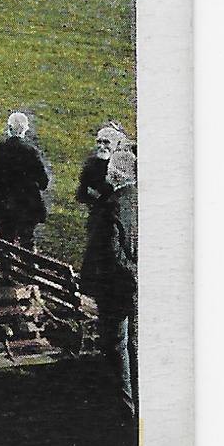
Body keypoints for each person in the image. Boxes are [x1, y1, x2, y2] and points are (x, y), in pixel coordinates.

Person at [80, 146, 138, 419]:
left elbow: (110, 254)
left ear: (115, 173)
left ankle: (124, 404)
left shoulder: (109, 207)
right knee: (131, 342)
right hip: (132, 284)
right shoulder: (138, 199)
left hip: (116, 287)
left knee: (116, 344)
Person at [0, 111, 52, 262]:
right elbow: (43, 182)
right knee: (27, 242)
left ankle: (5, 273)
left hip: (3, 207)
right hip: (27, 209)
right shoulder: (30, 152)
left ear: (8, 128)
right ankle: (28, 274)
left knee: (5, 240)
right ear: (25, 129)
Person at [75, 122, 129, 233]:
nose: (101, 146)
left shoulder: (125, 165)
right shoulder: (92, 165)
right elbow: (81, 193)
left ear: (116, 144)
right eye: (99, 142)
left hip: (122, 217)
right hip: (98, 216)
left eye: (106, 142)